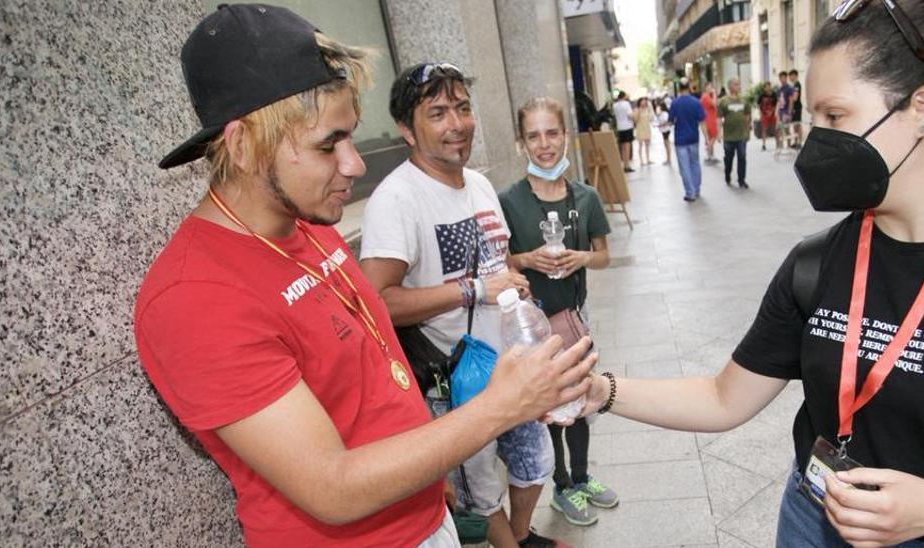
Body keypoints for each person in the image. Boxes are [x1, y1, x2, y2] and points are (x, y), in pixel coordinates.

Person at [579, 1, 924, 546]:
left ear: (923, 110)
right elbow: (724, 398)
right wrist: (597, 391)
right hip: (811, 517)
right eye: (811, 116)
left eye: (834, 116)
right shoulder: (817, 261)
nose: (815, 139)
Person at [136, 6, 593, 547]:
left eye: (352, 137)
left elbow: (376, 358)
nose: (354, 165)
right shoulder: (193, 299)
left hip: (422, 512)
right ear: (242, 145)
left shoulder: (308, 224)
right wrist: (504, 404)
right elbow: (332, 487)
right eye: (329, 144)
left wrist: (432, 466)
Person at [360, 63, 578, 548]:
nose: (456, 123)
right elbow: (375, 301)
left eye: (462, 108)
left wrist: (514, 279)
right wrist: (474, 289)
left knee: (535, 460)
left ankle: (518, 539)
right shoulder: (395, 199)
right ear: (405, 129)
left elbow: (493, 262)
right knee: (479, 486)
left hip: (508, 361)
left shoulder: (478, 185)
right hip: (453, 379)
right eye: (437, 112)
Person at [497, 97, 620, 527]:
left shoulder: (585, 197)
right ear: (521, 142)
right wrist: (528, 259)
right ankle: (562, 486)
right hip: (531, 326)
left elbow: (604, 255)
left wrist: (581, 258)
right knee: (550, 407)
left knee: (582, 397)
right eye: (534, 135)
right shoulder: (509, 201)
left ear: (565, 135)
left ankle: (583, 477)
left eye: (552, 133)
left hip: (572, 318)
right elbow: (501, 263)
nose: (544, 144)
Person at [669, 83, 706, 202]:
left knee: (684, 167)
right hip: (694, 138)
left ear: (679, 89)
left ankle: (690, 193)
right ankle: (697, 189)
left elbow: (671, 121)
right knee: (695, 163)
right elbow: (702, 121)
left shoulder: (675, 103)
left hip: (680, 140)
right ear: (689, 88)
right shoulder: (696, 102)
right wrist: (707, 138)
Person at [717, 78, 752, 189]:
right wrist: (719, 132)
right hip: (728, 137)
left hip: (741, 135)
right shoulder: (723, 101)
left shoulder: (744, 100)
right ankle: (727, 174)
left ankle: (741, 180)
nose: (738, 86)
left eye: (738, 84)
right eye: (736, 84)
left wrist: (748, 132)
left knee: (742, 157)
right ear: (730, 87)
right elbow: (719, 118)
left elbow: (747, 116)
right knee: (729, 158)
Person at [612, 91, 635, 172]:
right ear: (624, 96)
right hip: (627, 126)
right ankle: (627, 165)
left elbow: (615, 116)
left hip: (620, 127)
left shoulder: (614, 105)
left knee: (622, 147)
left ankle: (623, 164)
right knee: (627, 146)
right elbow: (630, 115)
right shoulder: (626, 104)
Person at [701, 83, 720, 163]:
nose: (711, 88)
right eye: (709, 87)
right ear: (705, 88)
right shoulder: (706, 96)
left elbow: (716, 104)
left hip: (708, 118)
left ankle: (711, 156)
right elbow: (715, 104)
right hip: (710, 119)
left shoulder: (707, 96)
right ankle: (708, 150)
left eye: (712, 87)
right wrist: (715, 93)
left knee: (710, 137)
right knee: (715, 135)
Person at [633, 97, 654, 166]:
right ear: (639, 102)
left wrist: (650, 109)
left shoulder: (647, 109)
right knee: (640, 145)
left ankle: (648, 159)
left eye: (645, 101)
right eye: (642, 101)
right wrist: (639, 112)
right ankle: (641, 161)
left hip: (647, 128)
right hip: (640, 128)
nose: (644, 103)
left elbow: (651, 118)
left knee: (647, 145)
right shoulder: (636, 109)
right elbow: (635, 120)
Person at [776, 71, 795, 145]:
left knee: (787, 129)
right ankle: (780, 146)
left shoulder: (789, 88)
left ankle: (789, 145)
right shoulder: (779, 89)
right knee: (779, 129)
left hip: (786, 111)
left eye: (783, 77)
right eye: (780, 78)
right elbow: (778, 101)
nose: (781, 79)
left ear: (786, 78)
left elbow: (791, 101)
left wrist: (789, 113)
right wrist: (777, 112)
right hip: (781, 111)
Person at [758, 81, 779, 151]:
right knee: (764, 129)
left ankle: (777, 144)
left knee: (775, 129)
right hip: (764, 115)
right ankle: (763, 145)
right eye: (766, 86)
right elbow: (759, 105)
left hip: (772, 114)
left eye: (769, 86)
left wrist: (773, 112)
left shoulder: (774, 94)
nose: (768, 88)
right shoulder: (762, 95)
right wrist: (760, 114)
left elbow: (776, 104)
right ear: (764, 88)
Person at [789, 69, 805, 148]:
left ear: (794, 75)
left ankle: (799, 142)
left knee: (798, 125)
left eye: (790, 76)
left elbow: (795, 98)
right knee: (795, 125)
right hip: (795, 107)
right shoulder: (794, 85)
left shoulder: (797, 85)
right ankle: (795, 142)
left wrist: (790, 99)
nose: (790, 78)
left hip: (797, 107)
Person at [655, 99, 674, 165]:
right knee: (666, 144)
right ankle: (668, 159)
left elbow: (666, 121)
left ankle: (668, 159)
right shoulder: (662, 114)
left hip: (666, 130)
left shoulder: (665, 113)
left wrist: (660, 125)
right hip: (664, 130)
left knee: (667, 144)